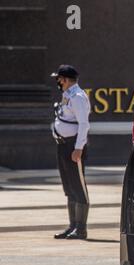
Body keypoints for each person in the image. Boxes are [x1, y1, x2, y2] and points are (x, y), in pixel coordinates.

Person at [50, 65, 91, 240]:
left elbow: (84, 124)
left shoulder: (78, 97)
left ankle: (81, 229)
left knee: (78, 187)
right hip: (63, 145)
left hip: (73, 147)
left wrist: (78, 148)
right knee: (69, 187)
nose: (58, 82)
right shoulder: (68, 95)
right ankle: (72, 226)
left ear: (66, 79)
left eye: (59, 79)